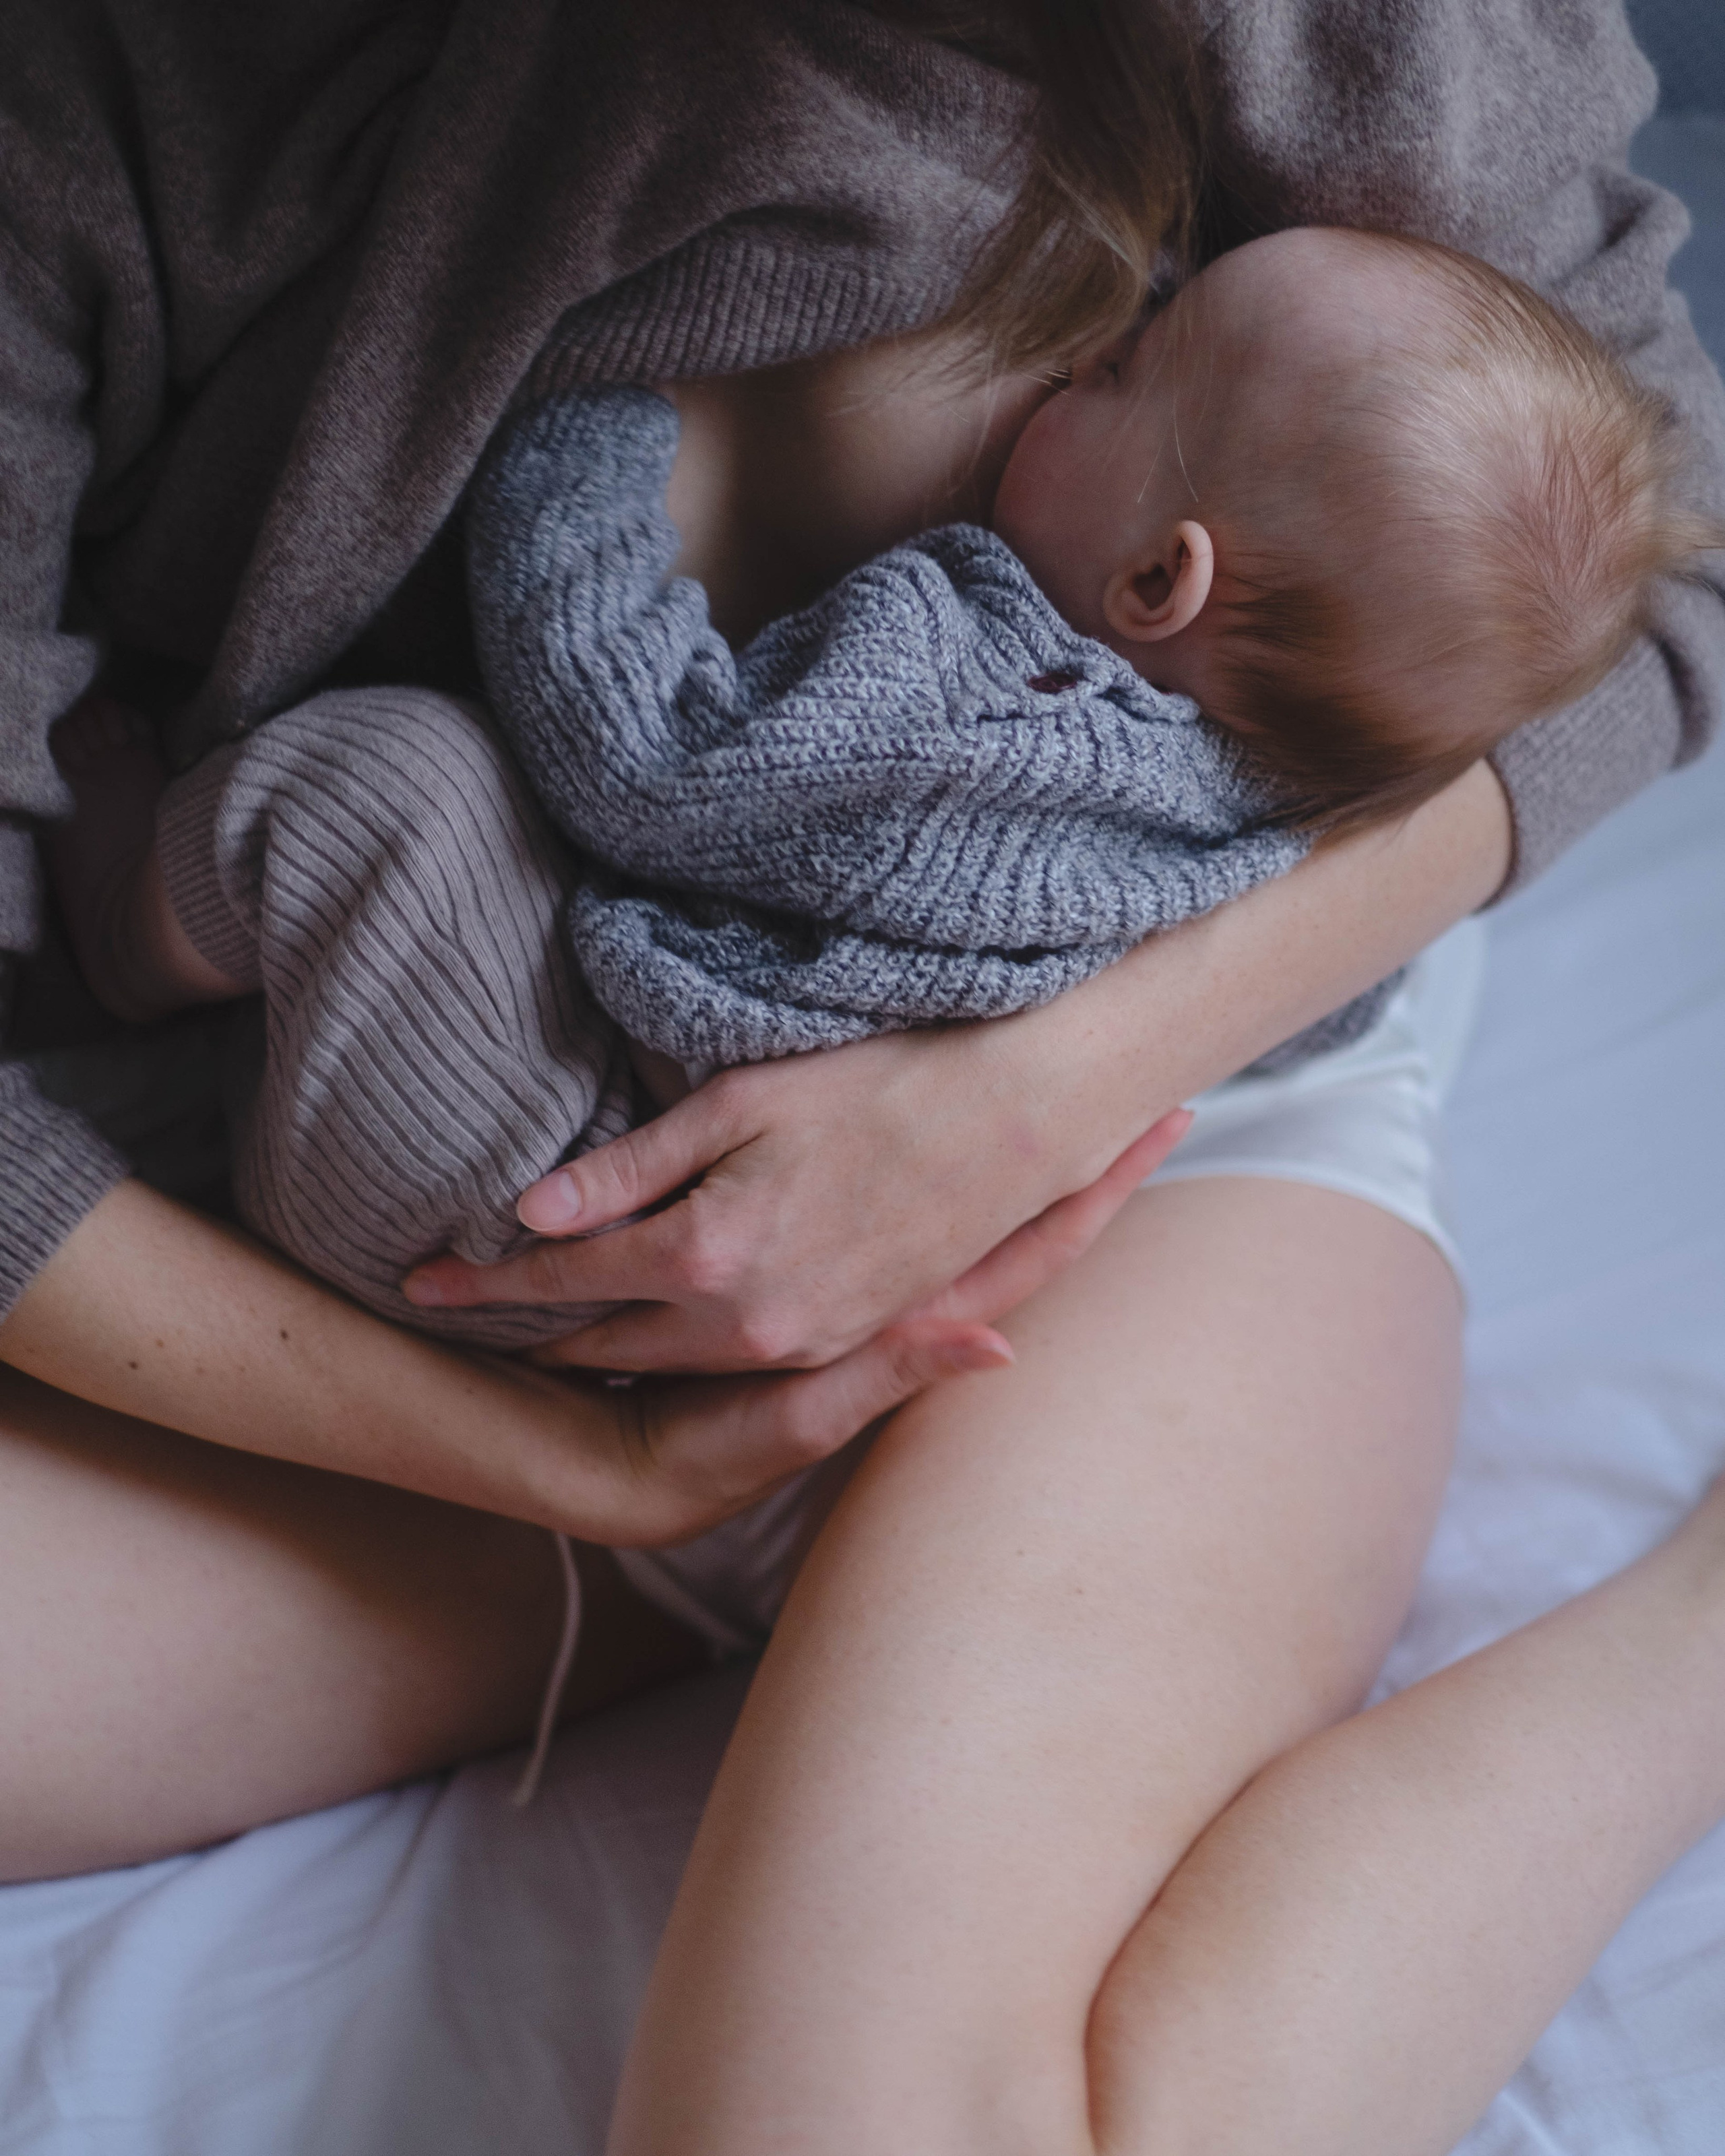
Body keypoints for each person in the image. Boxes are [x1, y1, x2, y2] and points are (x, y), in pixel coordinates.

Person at [1, 4, 1723, 2150]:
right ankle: (725, 1597)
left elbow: (1652, 562)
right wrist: (565, 1469)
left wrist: (1029, 1095)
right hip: (450, 1235)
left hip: (1114, 1192)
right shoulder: (103, 114)